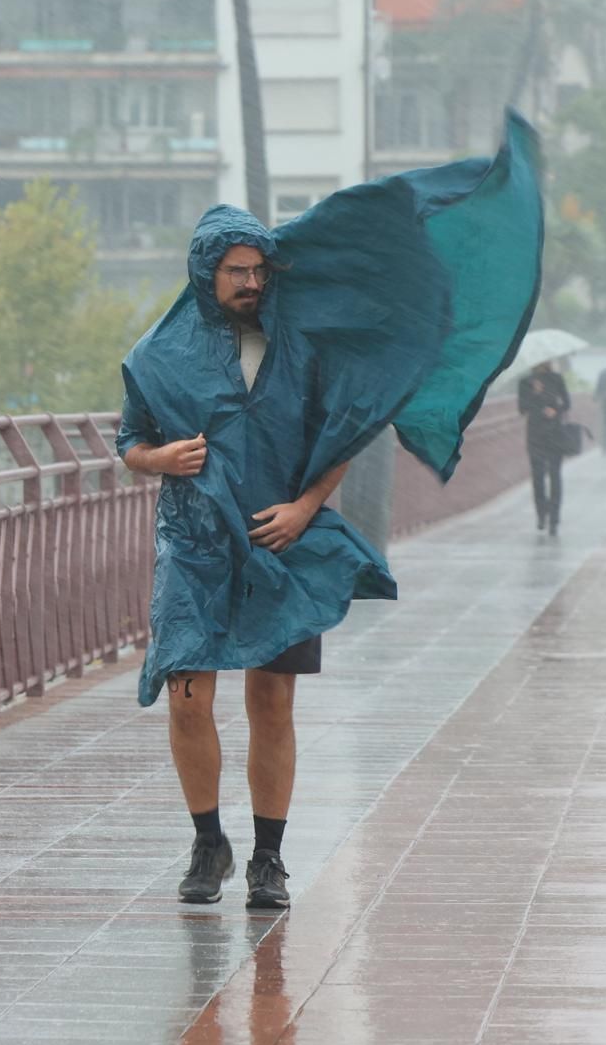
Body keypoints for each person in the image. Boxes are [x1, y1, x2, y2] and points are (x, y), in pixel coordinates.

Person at [117, 113, 543, 914]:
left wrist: (307, 505)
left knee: (272, 699)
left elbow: (344, 428)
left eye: (259, 269)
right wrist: (158, 459)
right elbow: (129, 440)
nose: (251, 282)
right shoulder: (156, 356)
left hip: (283, 541)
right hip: (194, 543)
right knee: (187, 696)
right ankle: (208, 842)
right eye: (236, 271)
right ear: (205, 273)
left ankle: (268, 860)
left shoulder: (300, 345)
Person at [518, 359, 572, 535]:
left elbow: (567, 403)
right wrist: (535, 394)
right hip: (535, 436)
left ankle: (554, 518)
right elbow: (522, 409)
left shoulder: (557, 379)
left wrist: (556, 410)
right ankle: (542, 514)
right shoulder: (526, 382)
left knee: (555, 476)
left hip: (555, 434)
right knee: (538, 477)